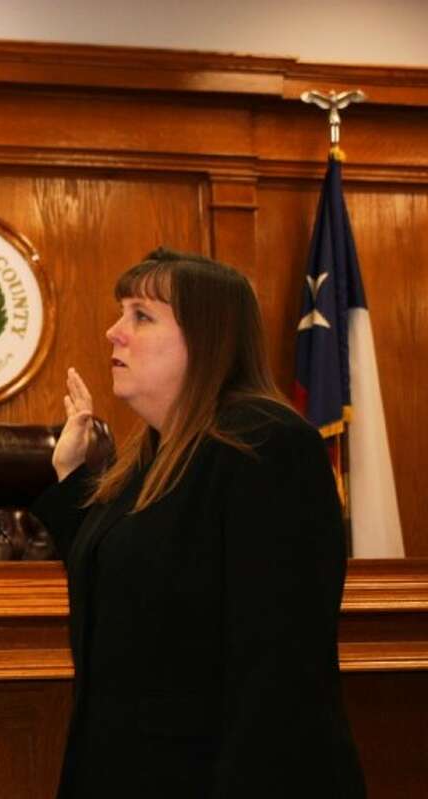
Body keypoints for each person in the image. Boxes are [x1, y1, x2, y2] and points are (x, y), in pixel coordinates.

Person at [32, 248, 366, 798]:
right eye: (122, 313)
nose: (115, 332)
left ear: (206, 339)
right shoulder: (152, 453)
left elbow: (277, 672)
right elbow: (124, 588)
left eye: (141, 316)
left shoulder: (267, 446)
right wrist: (71, 476)